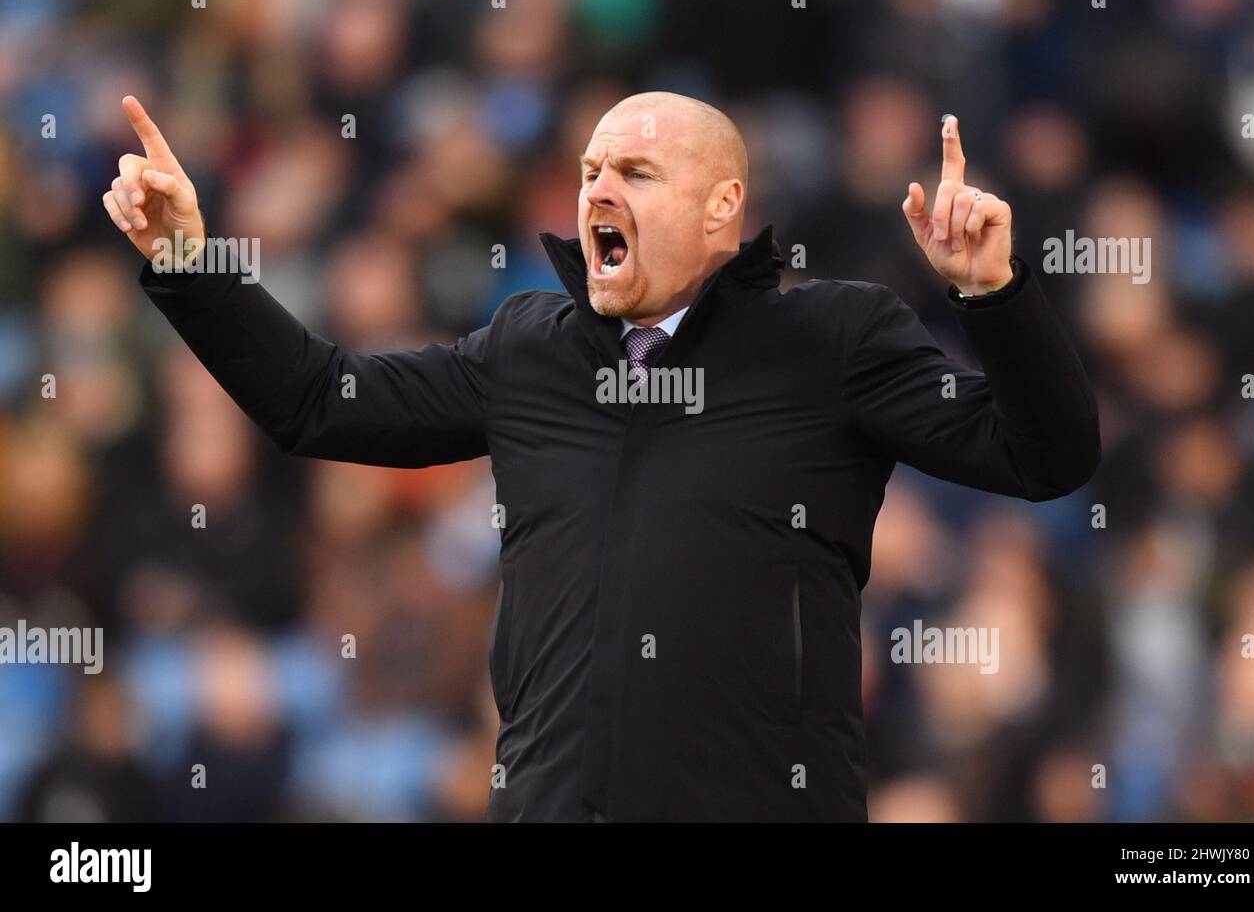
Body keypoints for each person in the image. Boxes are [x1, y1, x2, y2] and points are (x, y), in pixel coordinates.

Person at [104, 91, 1099, 821]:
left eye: (636, 172)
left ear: (722, 208)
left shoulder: (832, 339)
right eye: (588, 171)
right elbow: (319, 401)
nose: (598, 191)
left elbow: (1043, 456)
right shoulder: (526, 348)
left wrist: (993, 296)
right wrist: (192, 262)